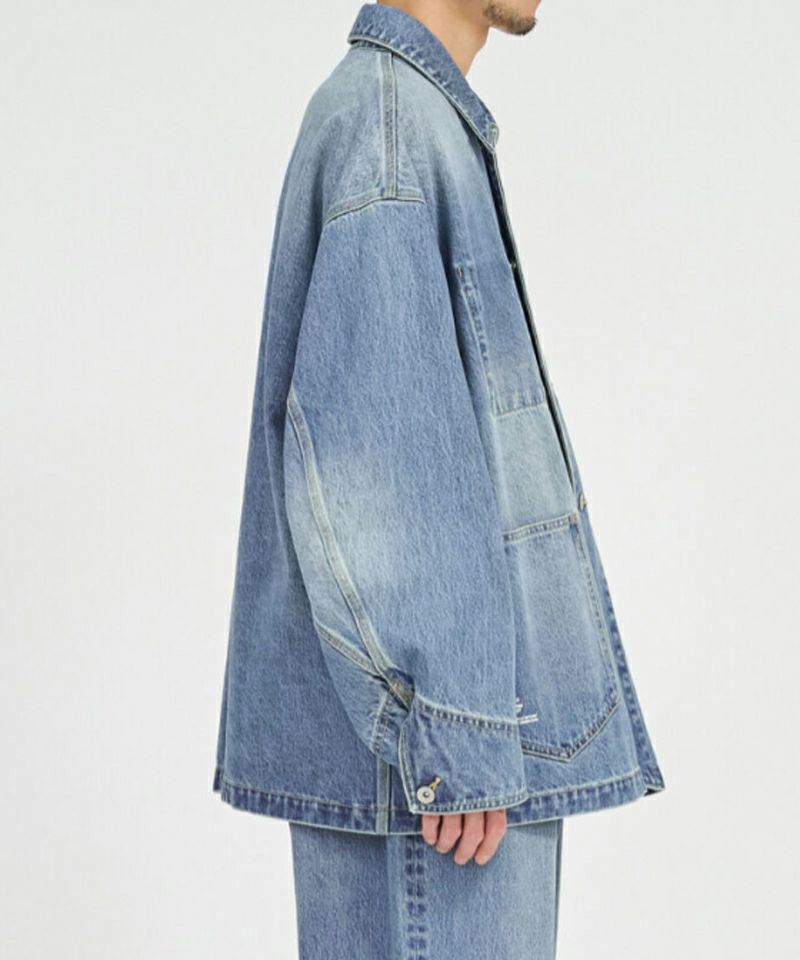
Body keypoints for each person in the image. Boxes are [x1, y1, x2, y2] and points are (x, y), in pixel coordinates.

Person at [212, 2, 665, 956]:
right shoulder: (390, 129)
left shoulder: (406, 118)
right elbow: (381, 460)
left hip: (442, 758)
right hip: (443, 778)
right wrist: (455, 731)